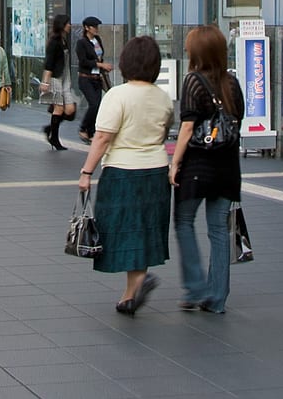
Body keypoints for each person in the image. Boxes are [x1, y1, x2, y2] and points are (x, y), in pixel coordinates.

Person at [77, 35, 172, 314]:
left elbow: (103, 137)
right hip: (155, 171)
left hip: (122, 171)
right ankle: (130, 294)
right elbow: (164, 132)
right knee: (142, 229)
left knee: (120, 230)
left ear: (125, 62)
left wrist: (86, 172)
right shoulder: (163, 97)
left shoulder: (117, 95)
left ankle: (139, 284)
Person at [169, 25, 244, 313]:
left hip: (198, 164)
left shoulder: (193, 81)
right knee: (218, 230)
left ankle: (195, 287)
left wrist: (175, 163)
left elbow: (187, 127)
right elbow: (236, 121)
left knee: (184, 222)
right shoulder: (232, 83)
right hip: (228, 167)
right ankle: (217, 298)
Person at [38, 13, 75, 150]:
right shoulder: (54, 42)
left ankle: (49, 128)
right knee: (59, 108)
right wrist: (45, 82)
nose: (70, 25)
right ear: (62, 25)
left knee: (70, 109)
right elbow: (49, 63)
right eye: (68, 23)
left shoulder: (63, 40)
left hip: (65, 77)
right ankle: (54, 139)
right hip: (55, 78)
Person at [75, 16, 111, 143]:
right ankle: (83, 128)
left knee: (98, 105)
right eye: (93, 27)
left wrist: (103, 68)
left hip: (97, 78)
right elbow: (84, 61)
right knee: (93, 104)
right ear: (86, 28)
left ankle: (91, 133)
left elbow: (100, 57)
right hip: (86, 78)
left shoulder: (97, 40)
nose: (96, 29)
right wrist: (101, 65)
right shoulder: (81, 43)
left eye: (97, 27)